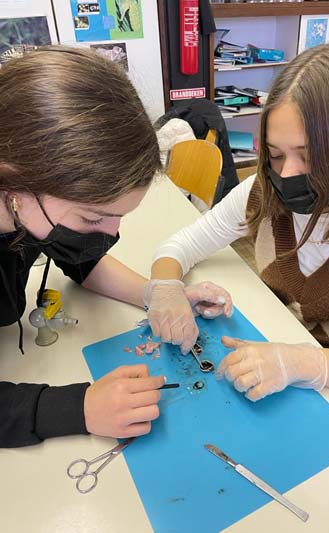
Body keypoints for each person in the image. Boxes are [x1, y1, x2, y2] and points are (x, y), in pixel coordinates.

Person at [145, 43, 329, 426]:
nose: (287, 173)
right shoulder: (263, 191)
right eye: (275, 154)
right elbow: (181, 245)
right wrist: (165, 287)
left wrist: (302, 361)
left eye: (308, 154)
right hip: (287, 359)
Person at [0, 46, 231, 448]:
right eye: (92, 218)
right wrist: (76, 407)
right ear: (13, 177)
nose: (108, 233)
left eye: (118, 217)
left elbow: (81, 260)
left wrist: (156, 293)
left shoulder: (29, 206)